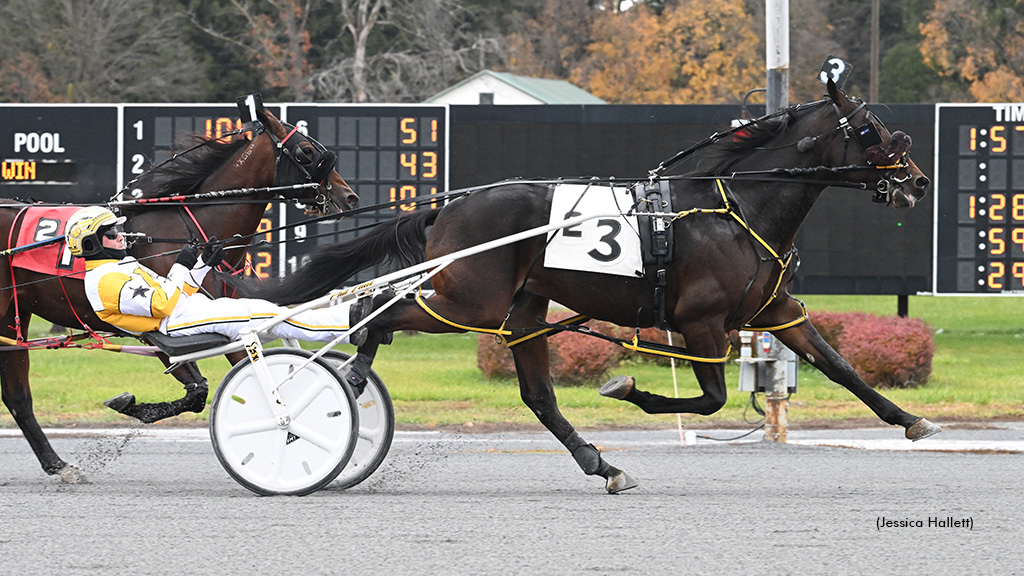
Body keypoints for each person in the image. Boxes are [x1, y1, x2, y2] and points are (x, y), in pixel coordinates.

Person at [65, 206, 371, 345]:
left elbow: (177, 293)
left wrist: (202, 265)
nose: (120, 236)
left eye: (118, 230)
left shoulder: (118, 268)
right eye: (111, 234)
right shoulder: (103, 281)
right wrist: (182, 266)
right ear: (92, 245)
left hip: (185, 313)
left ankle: (346, 321)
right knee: (267, 316)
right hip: (175, 325)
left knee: (270, 312)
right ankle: (347, 325)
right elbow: (163, 306)